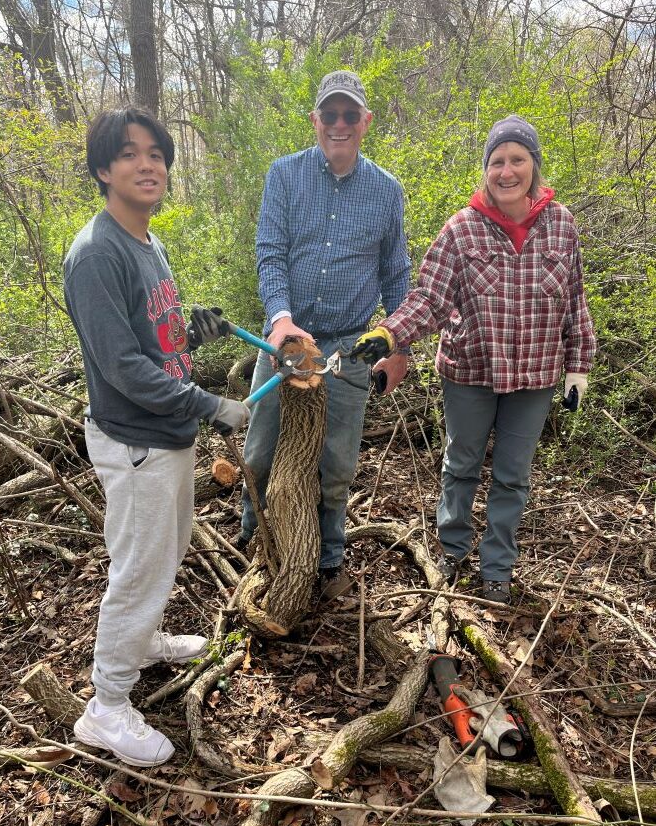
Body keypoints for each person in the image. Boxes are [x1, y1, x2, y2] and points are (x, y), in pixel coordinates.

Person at [64, 106, 249, 766]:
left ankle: (141, 645)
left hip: (165, 436)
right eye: (130, 153)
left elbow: (153, 341)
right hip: (137, 441)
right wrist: (213, 406)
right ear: (103, 169)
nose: (149, 165)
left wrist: (192, 333)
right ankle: (106, 706)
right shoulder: (96, 255)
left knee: (163, 556)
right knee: (138, 571)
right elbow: (122, 367)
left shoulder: (145, 240)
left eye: (157, 153)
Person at [350, 115, 597, 604]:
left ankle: (497, 569)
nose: (507, 171)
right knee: (461, 465)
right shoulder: (462, 229)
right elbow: (430, 299)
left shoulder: (561, 225)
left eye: (517, 160)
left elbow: (574, 299)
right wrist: (388, 333)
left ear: (534, 166)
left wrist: (578, 366)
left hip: (535, 374)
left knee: (512, 475)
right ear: (486, 169)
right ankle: (452, 549)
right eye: (497, 161)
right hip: (469, 371)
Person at [238, 70, 411, 584]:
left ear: (365, 122)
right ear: (315, 120)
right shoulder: (284, 175)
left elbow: (396, 271)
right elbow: (270, 252)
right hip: (287, 336)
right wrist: (281, 318)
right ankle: (255, 537)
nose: (339, 123)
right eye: (329, 114)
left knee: (336, 463)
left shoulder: (386, 191)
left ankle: (328, 556)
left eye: (349, 114)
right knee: (261, 448)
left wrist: (398, 346)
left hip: (347, 348)